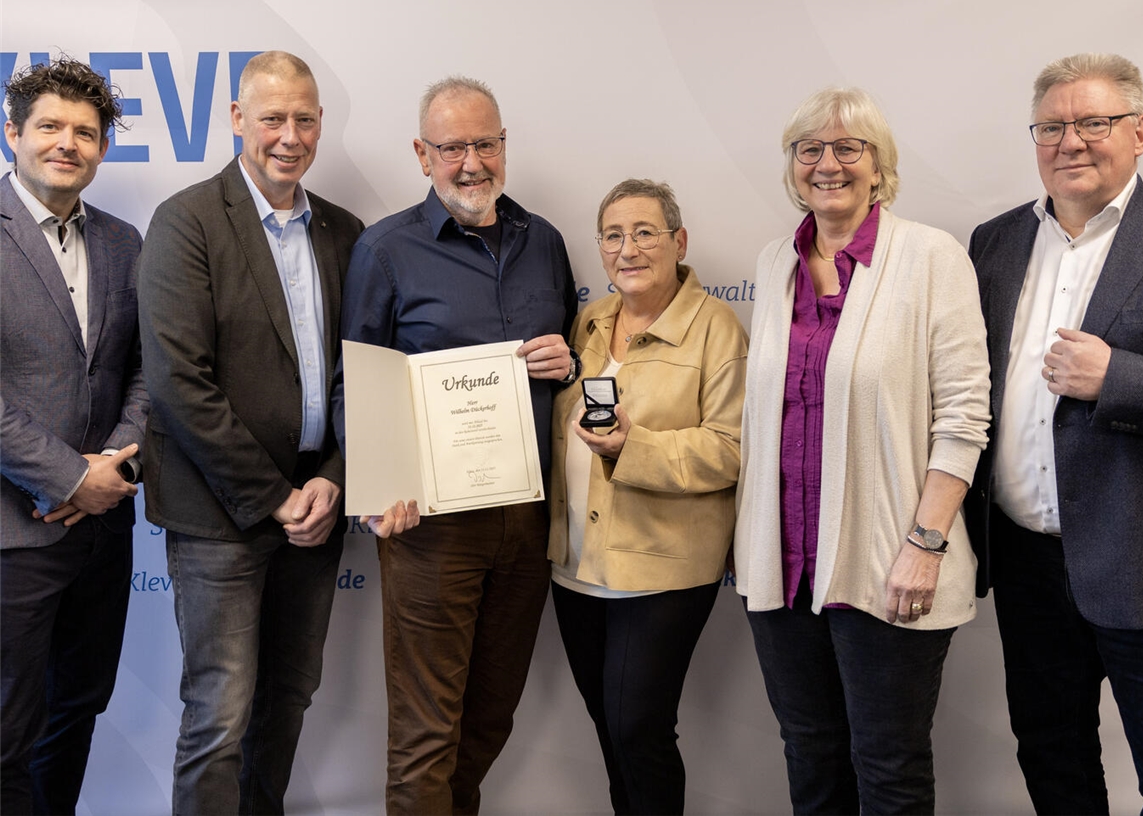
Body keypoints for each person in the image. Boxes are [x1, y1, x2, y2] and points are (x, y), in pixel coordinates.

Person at [733, 87, 991, 814]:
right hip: (783, 563)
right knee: (810, 754)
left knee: (889, 765)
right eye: (809, 148)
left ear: (880, 165)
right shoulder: (773, 262)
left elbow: (965, 413)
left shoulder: (931, 256)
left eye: (849, 147)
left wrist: (926, 540)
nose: (828, 164)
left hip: (889, 561)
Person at [333, 75, 578, 815]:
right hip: (429, 527)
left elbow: (570, 363)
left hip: (528, 522)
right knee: (425, 735)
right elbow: (357, 383)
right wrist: (379, 486)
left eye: (485, 143)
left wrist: (568, 365)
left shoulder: (547, 244)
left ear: (504, 146)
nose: (471, 162)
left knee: (489, 717)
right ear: (422, 153)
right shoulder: (385, 251)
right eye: (452, 147)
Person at [137, 51, 364, 815]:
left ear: (320, 125)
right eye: (272, 117)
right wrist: (274, 498)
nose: (289, 135)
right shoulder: (187, 220)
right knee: (220, 713)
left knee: (290, 697)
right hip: (220, 516)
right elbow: (177, 383)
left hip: (318, 506)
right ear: (238, 120)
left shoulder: (343, 230)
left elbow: (355, 376)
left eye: (304, 118)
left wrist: (332, 474)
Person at [967, 52, 1143, 815]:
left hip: (1137, 557)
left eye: (1094, 122)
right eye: (1052, 126)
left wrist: (1121, 379)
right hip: (1026, 560)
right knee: (1052, 757)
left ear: (1140, 132)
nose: (1070, 141)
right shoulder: (994, 243)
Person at [547, 179, 747, 815]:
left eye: (644, 232)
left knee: (639, 731)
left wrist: (633, 450)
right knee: (613, 733)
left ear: (678, 241)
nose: (627, 248)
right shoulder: (588, 322)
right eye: (612, 235)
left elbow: (732, 449)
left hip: (660, 571)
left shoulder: (716, 328)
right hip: (575, 566)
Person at [0, 56, 148, 816]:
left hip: (102, 532)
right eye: (51, 126)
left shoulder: (125, 242)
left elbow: (146, 373)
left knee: (76, 711)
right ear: (13, 132)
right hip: (13, 536)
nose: (69, 143)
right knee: (5, 734)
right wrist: (67, 476)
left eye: (86, 132)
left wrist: (110, 466)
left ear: (101, 148)